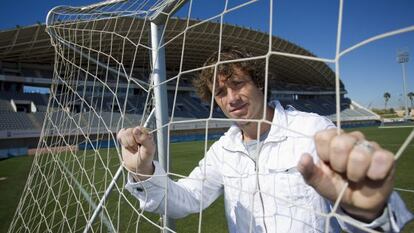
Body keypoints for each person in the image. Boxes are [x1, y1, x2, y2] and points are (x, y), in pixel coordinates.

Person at [119, 46, 413, 232]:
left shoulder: (312, 129)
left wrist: (368, 211)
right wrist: (143, 172)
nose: (231, 98)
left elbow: (366, 206)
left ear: (259, 84)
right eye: (220, 93)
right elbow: (188, 198)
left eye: (238, 84)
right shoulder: (224, 149)